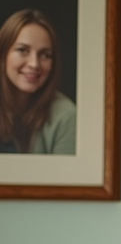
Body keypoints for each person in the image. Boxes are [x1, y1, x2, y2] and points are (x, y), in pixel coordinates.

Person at [0, 9, 75, 154]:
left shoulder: (66, 116)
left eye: (44, 55)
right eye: (23, 50)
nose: (34, 64)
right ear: (3, 55)